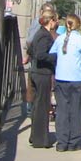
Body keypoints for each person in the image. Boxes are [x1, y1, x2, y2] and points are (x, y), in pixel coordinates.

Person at [49, 13, 81, 152]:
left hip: (61, 79)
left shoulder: (59, 40)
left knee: (62, 111)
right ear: (78, 25)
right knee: (76, 111)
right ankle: (74, 142)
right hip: (77, 80)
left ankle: (62, 143)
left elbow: (53, 54)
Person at [28, 9, 59, 148]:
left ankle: (34, 136)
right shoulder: (45, 36)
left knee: (36, 106)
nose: (56, 23)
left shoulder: (38, 33)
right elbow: (41, 55)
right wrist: (54, 57)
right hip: (42, 74)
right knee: (42, 107)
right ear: (50, 20)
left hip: (35, 72)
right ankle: (41, 140)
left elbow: (30, 51)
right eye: (55, 20)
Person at [23, 2, 56, 116]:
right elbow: (31, 41)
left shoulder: (39, 24)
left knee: (35, 87)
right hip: (42, 64)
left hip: (40, 62)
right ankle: (33, 108)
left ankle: (32, 108)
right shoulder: (41, 26)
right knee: (39, 88)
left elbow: (29, 41)